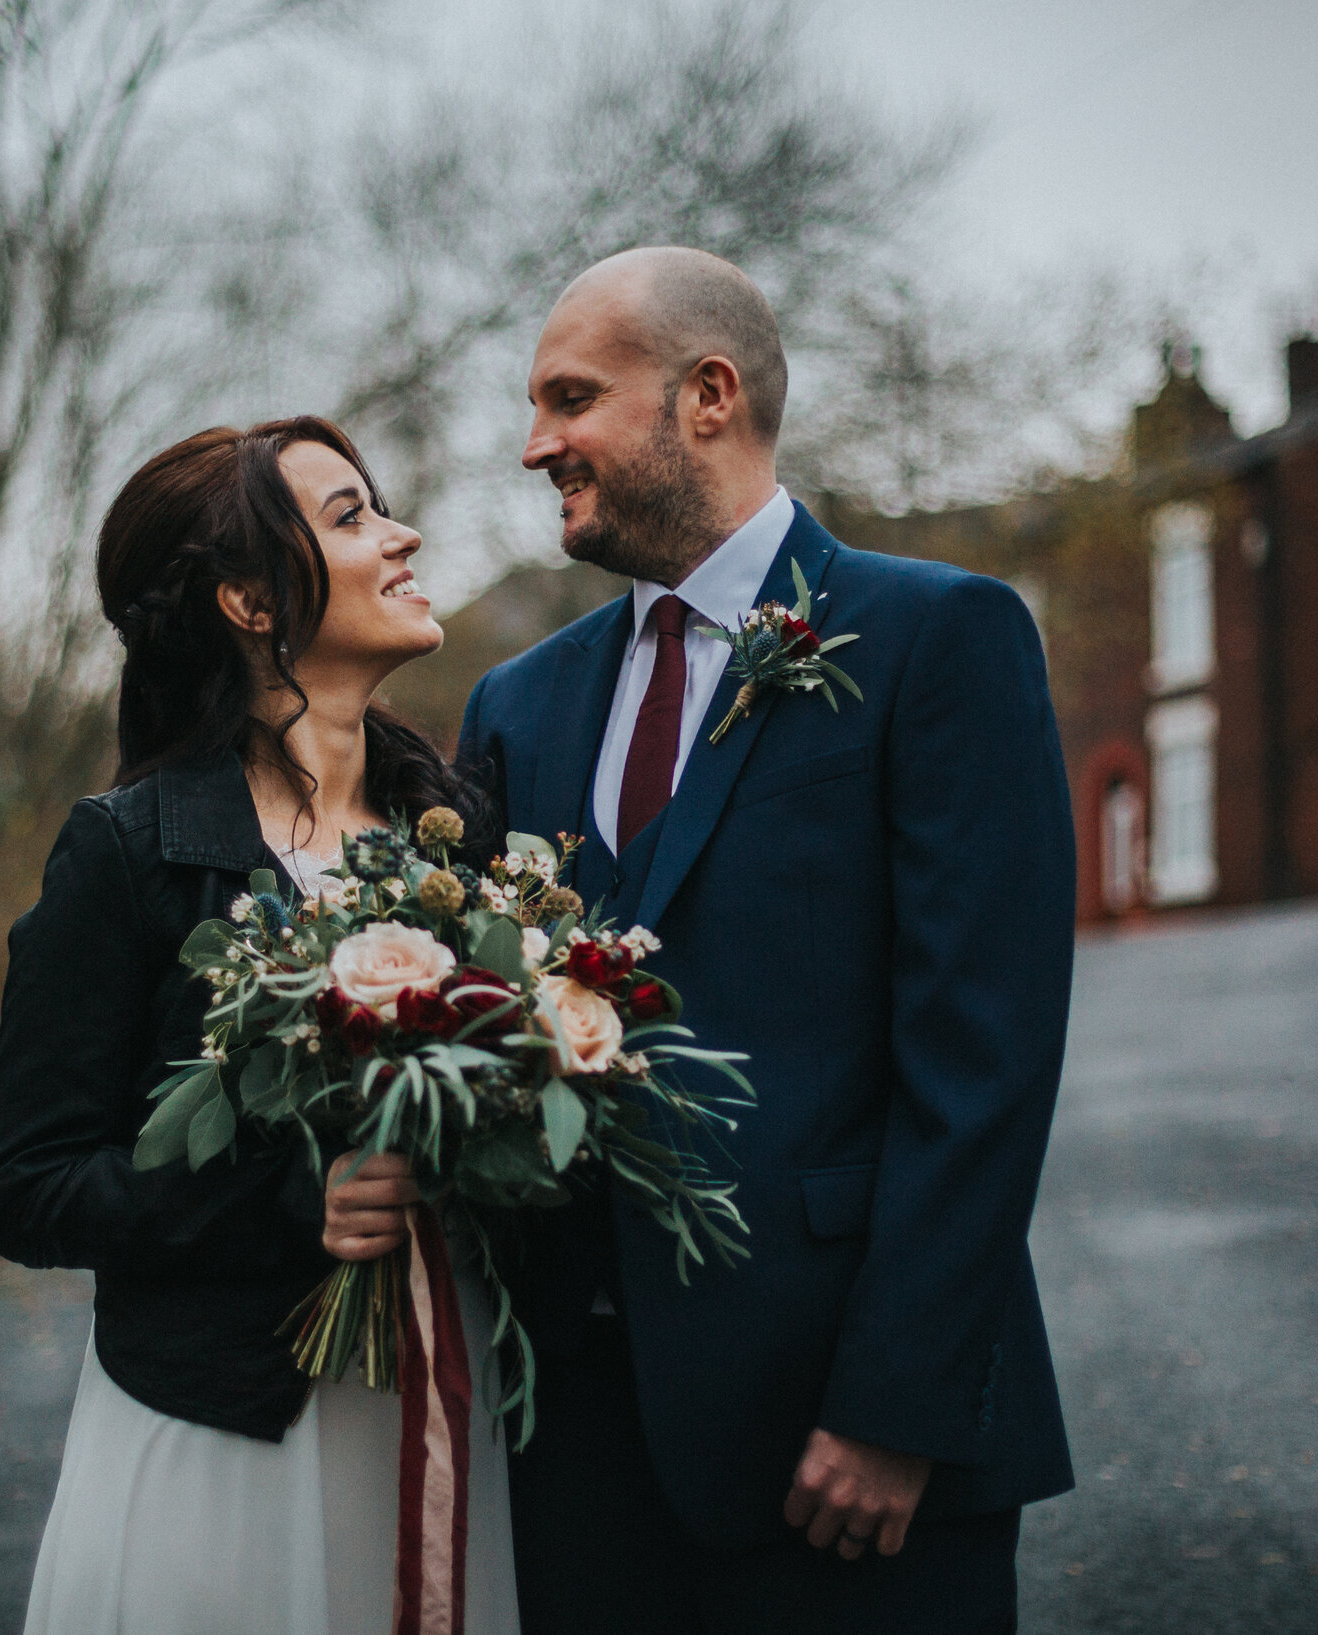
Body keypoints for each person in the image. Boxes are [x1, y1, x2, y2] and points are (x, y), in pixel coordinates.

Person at [329, 247, 1076, 1632]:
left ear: (707, 395)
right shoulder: (518, 706)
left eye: (569, 397)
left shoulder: (937, 639)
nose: (534, 442)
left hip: (847, 1451)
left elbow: (987, 1054)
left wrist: (895, 1403)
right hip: (582, 1454)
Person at [0, 417, 519, 1635]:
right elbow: (28, 1186)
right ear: (248, 599)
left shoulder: (458, 832)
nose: (402, 533)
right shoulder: (127, 854)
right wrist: (290, 1200)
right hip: (231, 1443)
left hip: (442, 1400)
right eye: (348, 515)